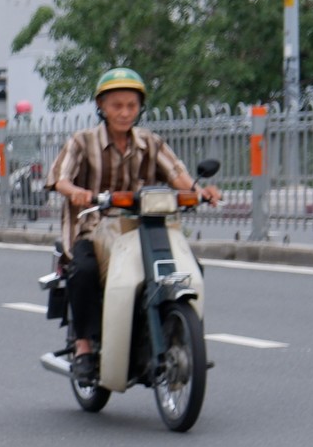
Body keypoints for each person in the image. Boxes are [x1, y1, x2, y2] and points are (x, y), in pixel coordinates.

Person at [47, 67, 220, 383]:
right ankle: (85, 347)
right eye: (117, 105)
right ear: (101, 106)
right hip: (92, 226)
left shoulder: (151, 142)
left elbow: (178, 175)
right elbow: (59, 180)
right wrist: (78, 193)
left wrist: (199, 192)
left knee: (192, 267)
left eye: (131, 105)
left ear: (140, 107)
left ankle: (185, 340)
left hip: (145, 226)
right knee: (83, 271)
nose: (125, 112)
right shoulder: (82, 142)